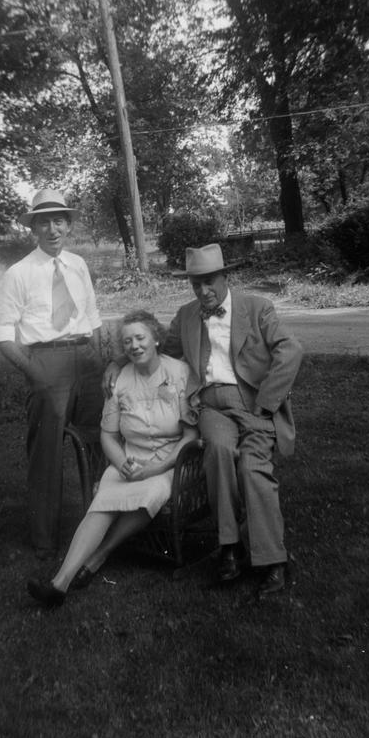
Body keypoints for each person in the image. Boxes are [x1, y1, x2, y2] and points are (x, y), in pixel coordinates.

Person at [107, 243, 303, 599]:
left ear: (225, 277)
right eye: (195, 284)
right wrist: (118, 361)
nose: (203, 290)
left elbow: (290, 350)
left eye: (209, 281)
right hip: (211, 406)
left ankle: (272, 558)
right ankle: (229, 546)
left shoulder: (257, 307)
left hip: (254, 403)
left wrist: (266, 402)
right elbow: (156, 348)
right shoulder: (187, 315)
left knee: (253, 469)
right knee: (218, 454)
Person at [27, 310, 199, 607]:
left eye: (140, 338)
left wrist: (158, 467)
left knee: (151, 492)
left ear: (156, 339)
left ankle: (100, 554)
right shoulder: (119, 380)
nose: (134, 346)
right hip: (131, 458)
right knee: (103, 503)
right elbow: (108, 435)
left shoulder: (180, 373)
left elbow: (190, 435)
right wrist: (122, 464)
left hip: (172, 461)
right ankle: (59, 583)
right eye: (127, 341)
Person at [0, 188, 104, 560]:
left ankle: (101, 524)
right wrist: (35, 372)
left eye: (59, 221)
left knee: (99, 443)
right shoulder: (19, 273)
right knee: (47, 454)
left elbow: (92, 317)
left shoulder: (78, 264)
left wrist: (98, 361)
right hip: (46, 362)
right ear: (33, 228)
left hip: (86, 361)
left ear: (68, 225)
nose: (53, 229)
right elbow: (1, 333)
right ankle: (45, 538)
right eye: (44, 223)